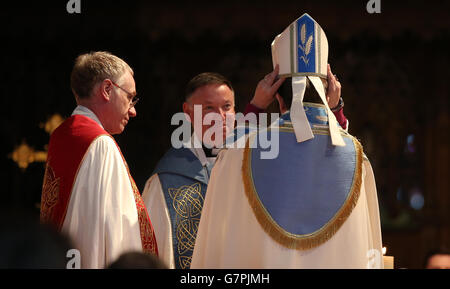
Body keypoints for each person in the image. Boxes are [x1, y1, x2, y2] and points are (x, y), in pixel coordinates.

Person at [191, 13, 382, 268]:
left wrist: (255, 108)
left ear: (278, 99)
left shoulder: (243, 152)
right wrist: (336, 113)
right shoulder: (357, 158)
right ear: (329, 94)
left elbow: (223, 165)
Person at [40, 51, 158, 269]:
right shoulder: (100, 145)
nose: (133, 111)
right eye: (130, 97)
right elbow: (113, 235)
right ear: (106, 89)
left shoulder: (62, 135)